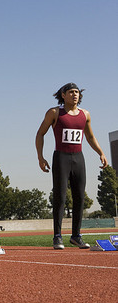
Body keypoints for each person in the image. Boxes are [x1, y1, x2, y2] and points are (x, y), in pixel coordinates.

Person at [35, 82, 108, 250]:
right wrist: (40, 157)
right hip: (61, 157)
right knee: (60, 197)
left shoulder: (85, 114)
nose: (75, 95)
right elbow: (40, 133)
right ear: (63, 95)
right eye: (71, 92)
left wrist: (101, 153)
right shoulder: (54, 113)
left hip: (78, 158)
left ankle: (76, 236)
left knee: (80, 198)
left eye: (77, 92)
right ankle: (57, 236)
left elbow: (89, 137)